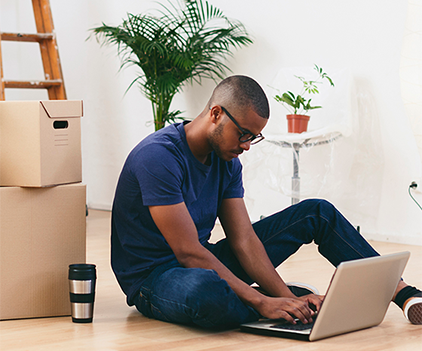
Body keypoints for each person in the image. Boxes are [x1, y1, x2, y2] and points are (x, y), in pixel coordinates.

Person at [111, 75, 422, 329]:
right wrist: (262, 301)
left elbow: (244, 239)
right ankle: (270, 302)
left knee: (317, 212)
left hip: (202, 262)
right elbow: (188, 252)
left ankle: (401, 292)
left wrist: (287, 300)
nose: (246, 146)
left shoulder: (227, 160)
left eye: (253, 137)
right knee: (207, 294)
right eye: (243, 134)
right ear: (216, 113)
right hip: (155, 279)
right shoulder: (159, 157)